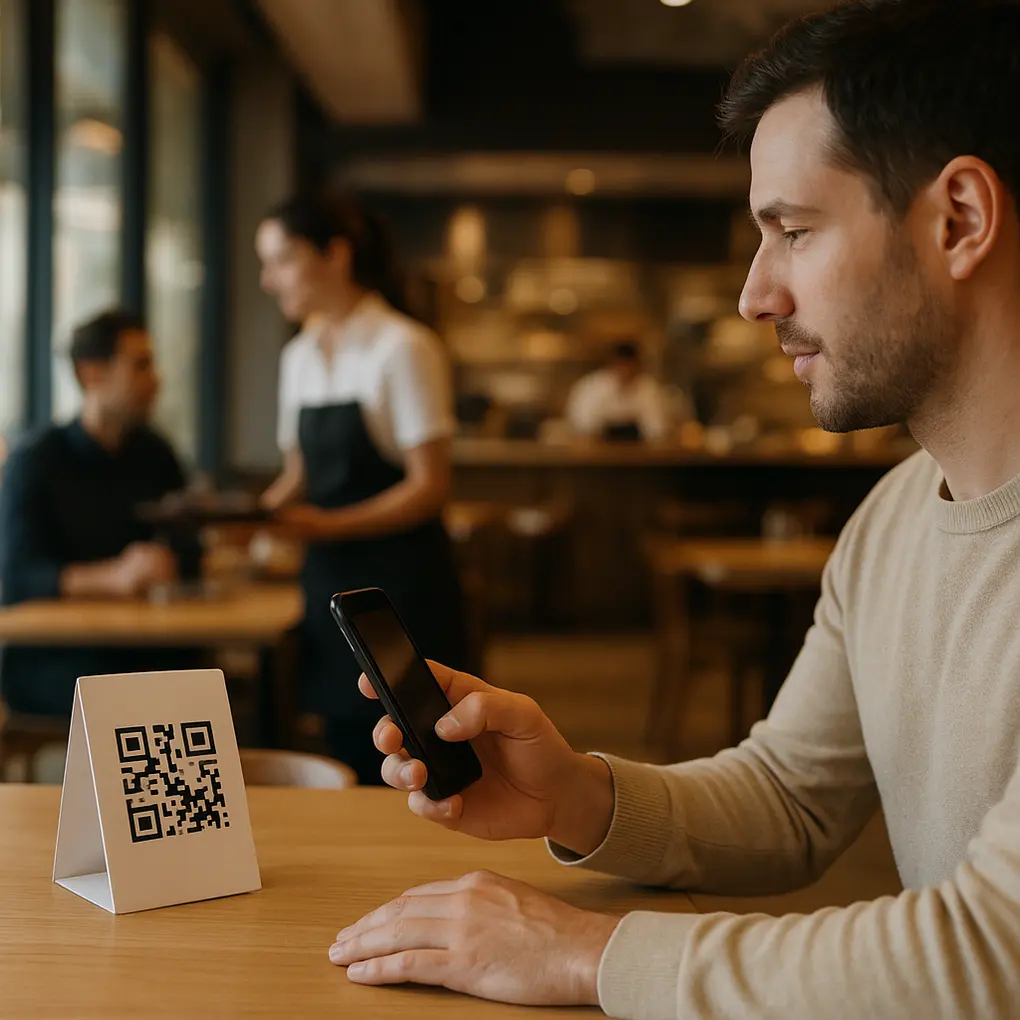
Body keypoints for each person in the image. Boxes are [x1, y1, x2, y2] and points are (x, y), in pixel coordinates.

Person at [324, 2, 1020, 1017]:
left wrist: (585, 954)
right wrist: (576, 793)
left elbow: (993, 953)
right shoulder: (892, 519)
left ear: (958, 218)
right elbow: (789, 796)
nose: (754, 294)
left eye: (793, 231)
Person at [256, 191, 467, 784]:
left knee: (417, 752)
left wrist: (327, 525)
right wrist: (252, 514)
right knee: (342, 741)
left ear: (336, 256)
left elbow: (430, 487)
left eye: (280, 260)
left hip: (398, 586)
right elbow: (298, 476)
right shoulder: (296, 356)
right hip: (326, 583)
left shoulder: (403, 347)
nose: (269, 280)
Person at [0, 311, 200, 716]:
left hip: (148, 643)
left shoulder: (155, 454)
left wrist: (169, 561)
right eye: (140, 365)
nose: (155, 379)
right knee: (130, 700)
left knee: (206, 682)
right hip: (56, 654)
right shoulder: (35, 460)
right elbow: (19, 574)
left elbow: (190, 546)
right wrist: (113, 577)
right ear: (92, 374)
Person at [565, 341, 673, 442]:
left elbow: (659, 429)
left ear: (638, 365)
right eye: (621, 365)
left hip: (641, 456)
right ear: (611, 363)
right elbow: (582, 424)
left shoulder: (648, 388)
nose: (625, 370)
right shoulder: (591, 387)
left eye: (629, 365)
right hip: (597, 455)